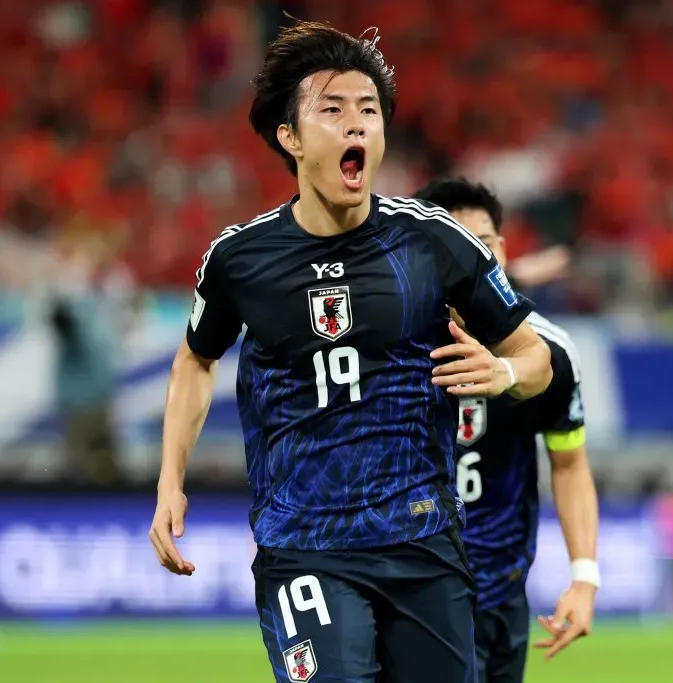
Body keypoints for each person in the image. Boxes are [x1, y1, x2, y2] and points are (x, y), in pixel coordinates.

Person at [148, 21, 553, 683]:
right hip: (306, 547)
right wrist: (170, 479)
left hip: (421, 538)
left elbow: (535, 357)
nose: (355, 125)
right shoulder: (241, 259)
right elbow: (195, 359)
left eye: (368, 110)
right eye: (332, 111)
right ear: (290, 136)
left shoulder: (434, 243)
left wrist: (504, 370)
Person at [414, 178, 600, 683]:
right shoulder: (393, 348)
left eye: (487, 245)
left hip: (501, 592)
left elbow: (570, 463)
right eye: (461, 245)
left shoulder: (550, 353)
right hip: (412, 590)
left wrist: (584, 576)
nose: (477, 258)